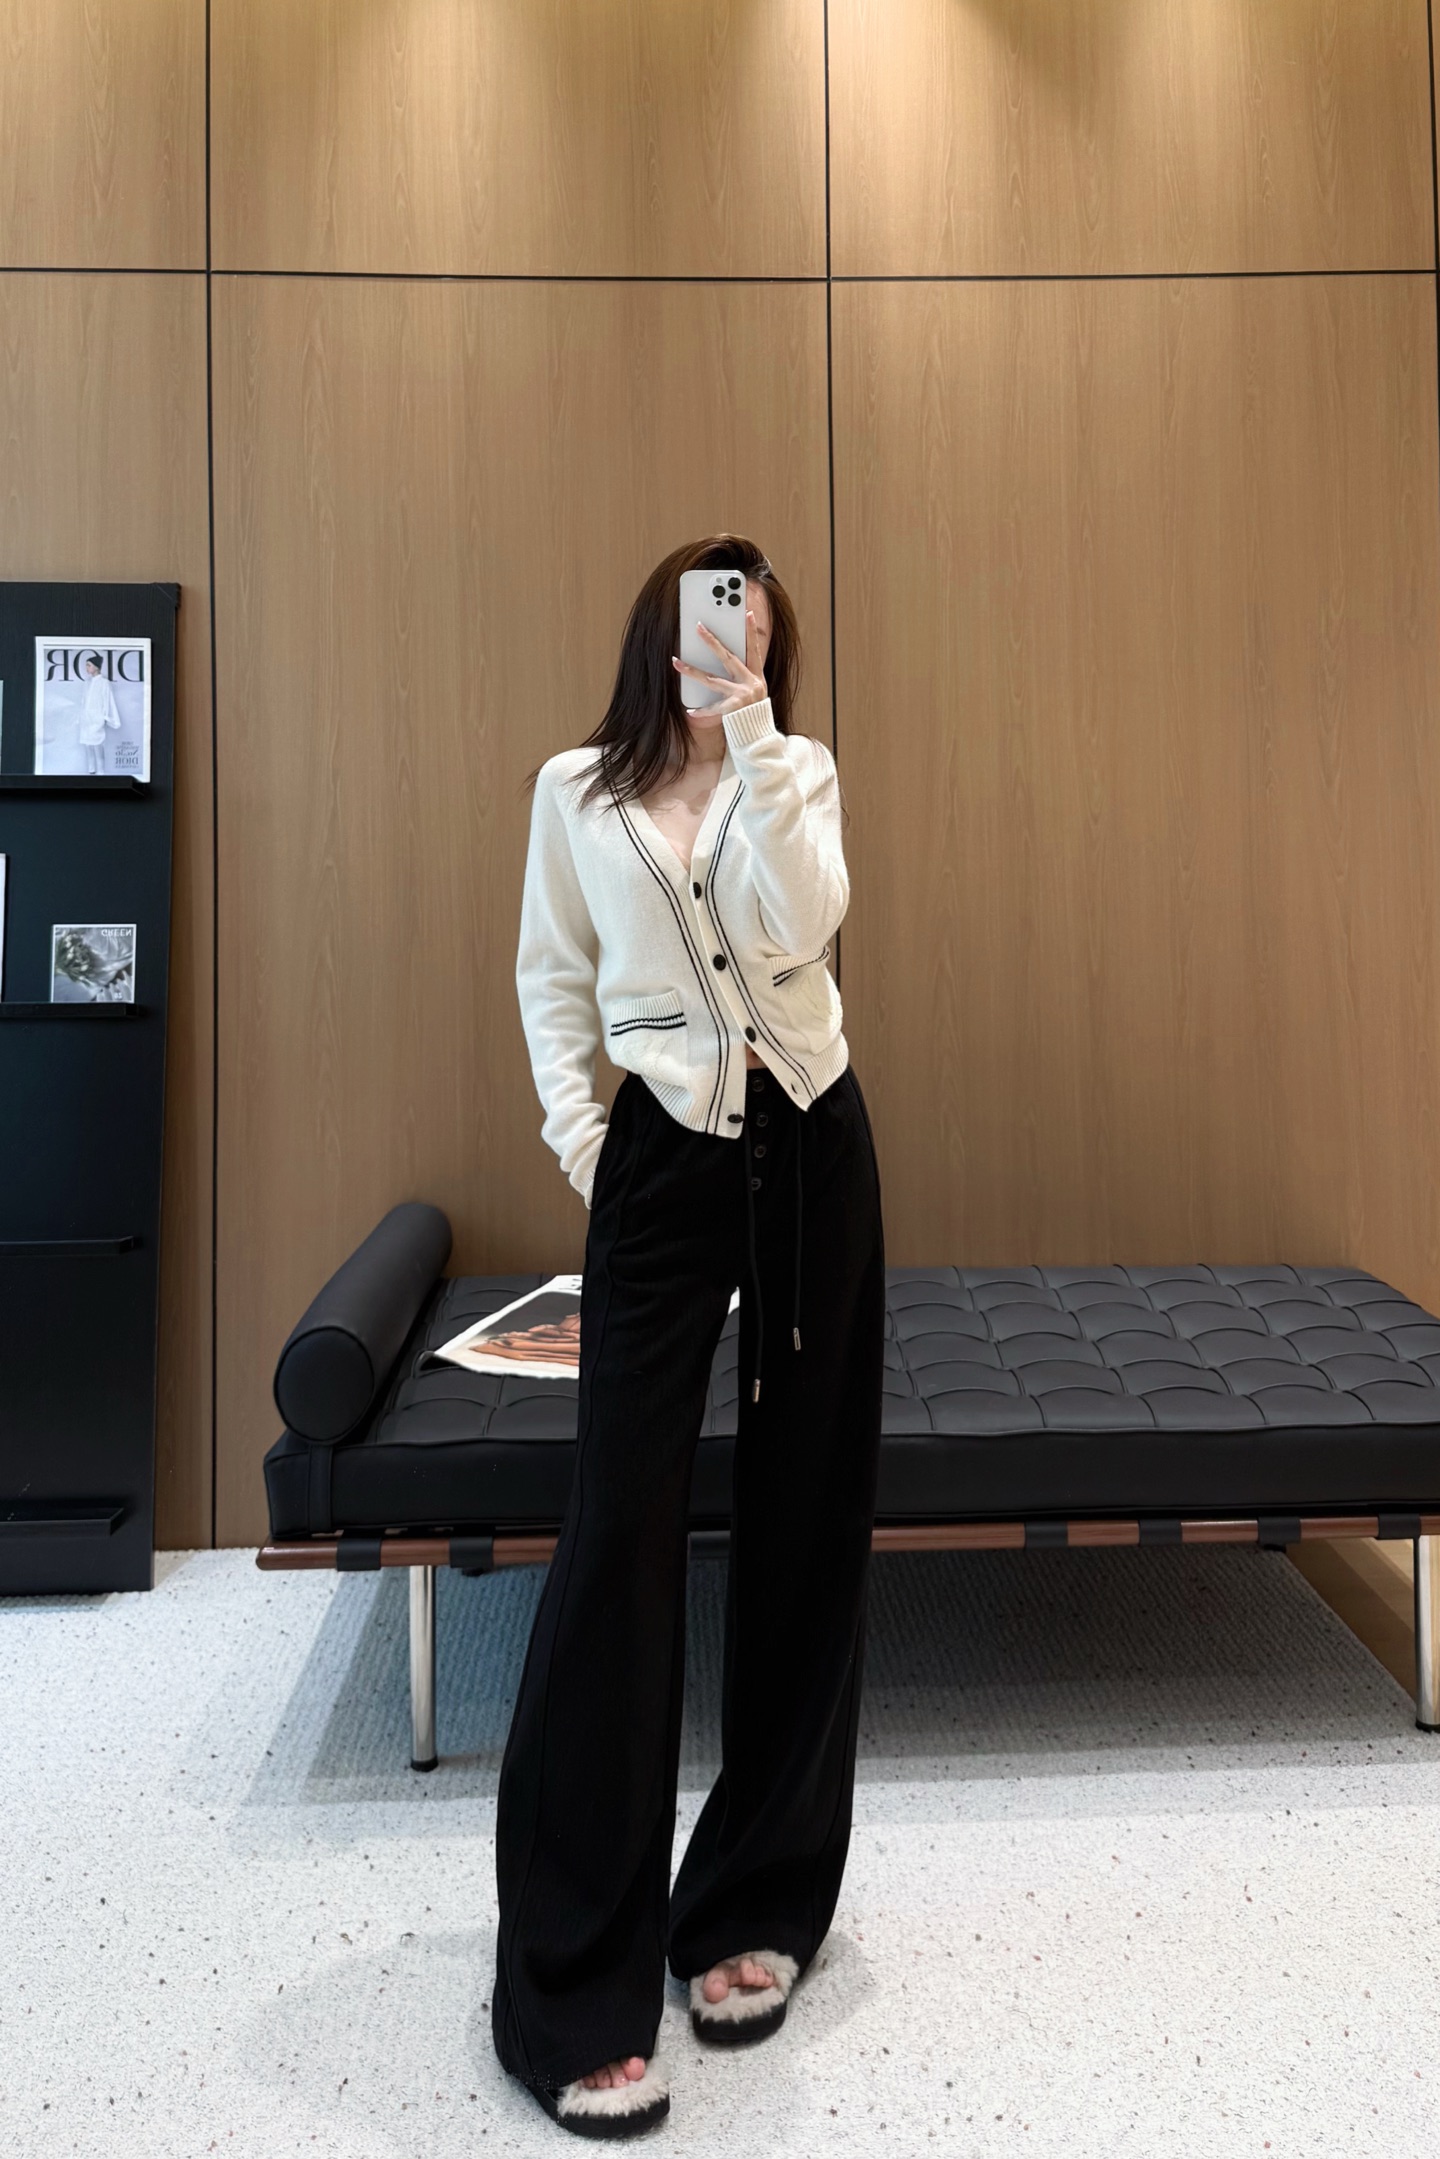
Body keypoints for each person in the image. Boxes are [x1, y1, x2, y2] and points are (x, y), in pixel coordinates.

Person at [495, 534, 886, 2137]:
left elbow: (805, 924)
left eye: (755, 633)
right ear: (655, 631)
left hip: (813, 1144)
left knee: (806, 1516)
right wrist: (596, 1155)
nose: (728, 646)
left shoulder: (798, 774)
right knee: (619, 1537)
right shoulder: (573, 791)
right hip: (661, 1156)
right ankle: (571, 1972)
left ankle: (754, 1899)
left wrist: (761, 737)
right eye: (708, 623)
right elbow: (551, 980)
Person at [77, 655, 121, 776]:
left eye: (89, 665)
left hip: (97, 718)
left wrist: (105, 717)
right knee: (88, 745)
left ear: (96, 667)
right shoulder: (87, 683)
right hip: (86, 719)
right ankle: (91, 771)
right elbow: (83, 701)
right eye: (86, 665)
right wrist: (81, 716)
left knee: (98, 745)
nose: (86, 668)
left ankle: (101, 772)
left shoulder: (104, 683)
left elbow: (108, 700)